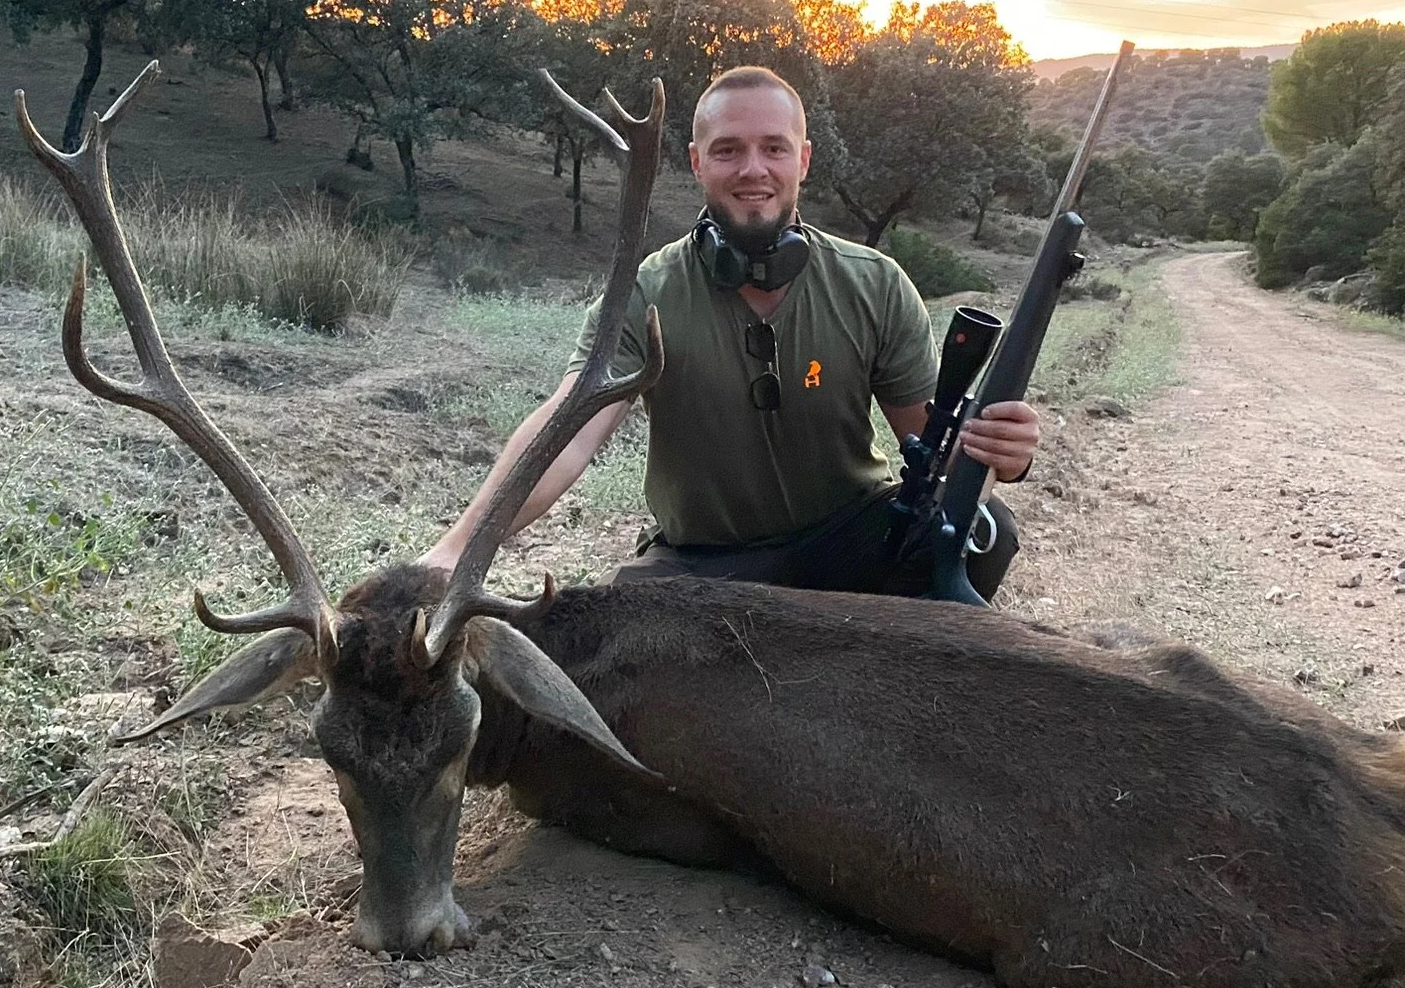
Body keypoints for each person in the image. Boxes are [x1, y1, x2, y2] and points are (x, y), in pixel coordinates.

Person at [421, 65, 1041, 600]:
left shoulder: (873, 283)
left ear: (803, 159)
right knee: (614, 636)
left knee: (982, 534)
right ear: (697, 163)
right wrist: (457, 548)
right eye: (727, 150)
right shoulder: (646, 293)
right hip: (703, 564)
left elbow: (930, 445)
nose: (754, 170)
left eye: (774, 148)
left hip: (844, 540)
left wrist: (995, 453)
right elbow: (566, 435)